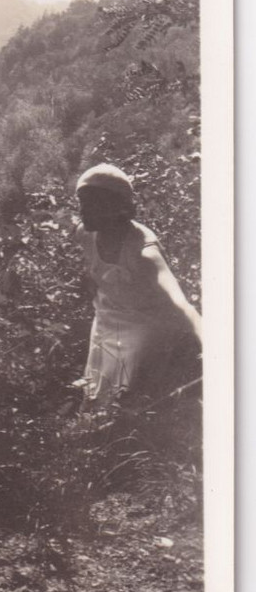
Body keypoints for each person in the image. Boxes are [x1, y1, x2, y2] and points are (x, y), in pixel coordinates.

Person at [75, 163, 202, 409]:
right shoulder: (85, 233)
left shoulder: (143, 251)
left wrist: (210, 342)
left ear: (114, 207)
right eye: (81, 202)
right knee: (96, 395)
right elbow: (95, 267)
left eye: (90, 204)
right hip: (107, 319)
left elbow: (179, 301)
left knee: (130, 400)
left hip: (146, 326)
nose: (82, 211)